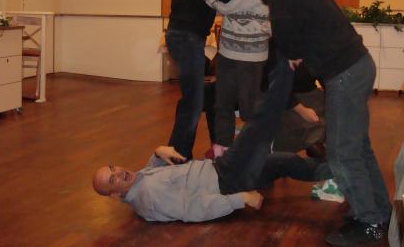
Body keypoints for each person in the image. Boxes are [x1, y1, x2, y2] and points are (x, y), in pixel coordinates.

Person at [238, 0, 391, 246]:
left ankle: (370, 222)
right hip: (360, 64)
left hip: (343, 74)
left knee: (342, 154)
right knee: (359, 148)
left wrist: (293, 50)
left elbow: (289, 46)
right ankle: (379, 212)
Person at [92, 54, 332, 222]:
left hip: (221, 170)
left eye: (113, 168)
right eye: (112, 179)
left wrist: (157, 153)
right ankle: (287, 65)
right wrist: (240, 199)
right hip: (227, 180)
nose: (119, 172)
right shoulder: (149, 197)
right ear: (115, 195)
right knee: (261, 125)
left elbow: (157, 175)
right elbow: (193, 208)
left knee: (284, 161)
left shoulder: (139, 182)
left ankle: (338, 170)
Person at [188, 0, 270, 157]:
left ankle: (256, 154)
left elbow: (224, 4)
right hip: (229, 50)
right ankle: (223, 152)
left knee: (249, 108)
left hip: (250, 53)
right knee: (222, 103)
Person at [165, 0, 235, 160]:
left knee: (194, 99)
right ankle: (178, 156)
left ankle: (177, 153)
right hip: (186, 37)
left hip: (182, 36)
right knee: (194, 102)